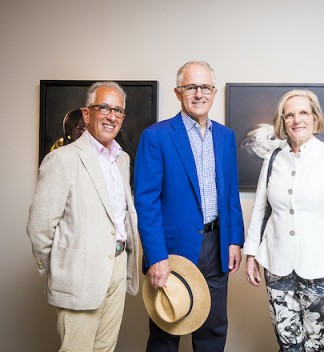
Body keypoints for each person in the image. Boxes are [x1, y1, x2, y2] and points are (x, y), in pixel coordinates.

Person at [134, 60, 244, 352]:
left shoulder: (225, 136)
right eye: (191, 87)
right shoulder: (156, 137)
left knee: (213, 330)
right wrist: (156, 256)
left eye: (205, 87)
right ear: (177, 92)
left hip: (217, 246)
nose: (199, 93)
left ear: (214, 91)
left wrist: (235, 240)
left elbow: (231, 194)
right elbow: (146, 203)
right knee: (165, 334)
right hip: (172, 252)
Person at [244, 89, 324, 351]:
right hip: (277, 266)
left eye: (303, 113)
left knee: (318, 346)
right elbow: (260, 210)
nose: (297, 120)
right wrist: (250, 253)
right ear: (282, 121)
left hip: (323, 268)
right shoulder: (274, 158)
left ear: (315, 118)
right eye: (289, 115)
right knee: (288, 344)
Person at [27, 81, 139, 352]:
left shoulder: (121, 160)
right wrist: (60, 267)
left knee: (106, 348)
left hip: (117, 265)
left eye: (118, 111)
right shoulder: (62, 160)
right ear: (87, 114)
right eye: (104, 108)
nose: (112, 116)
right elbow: (40, 227)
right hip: (79, 273)